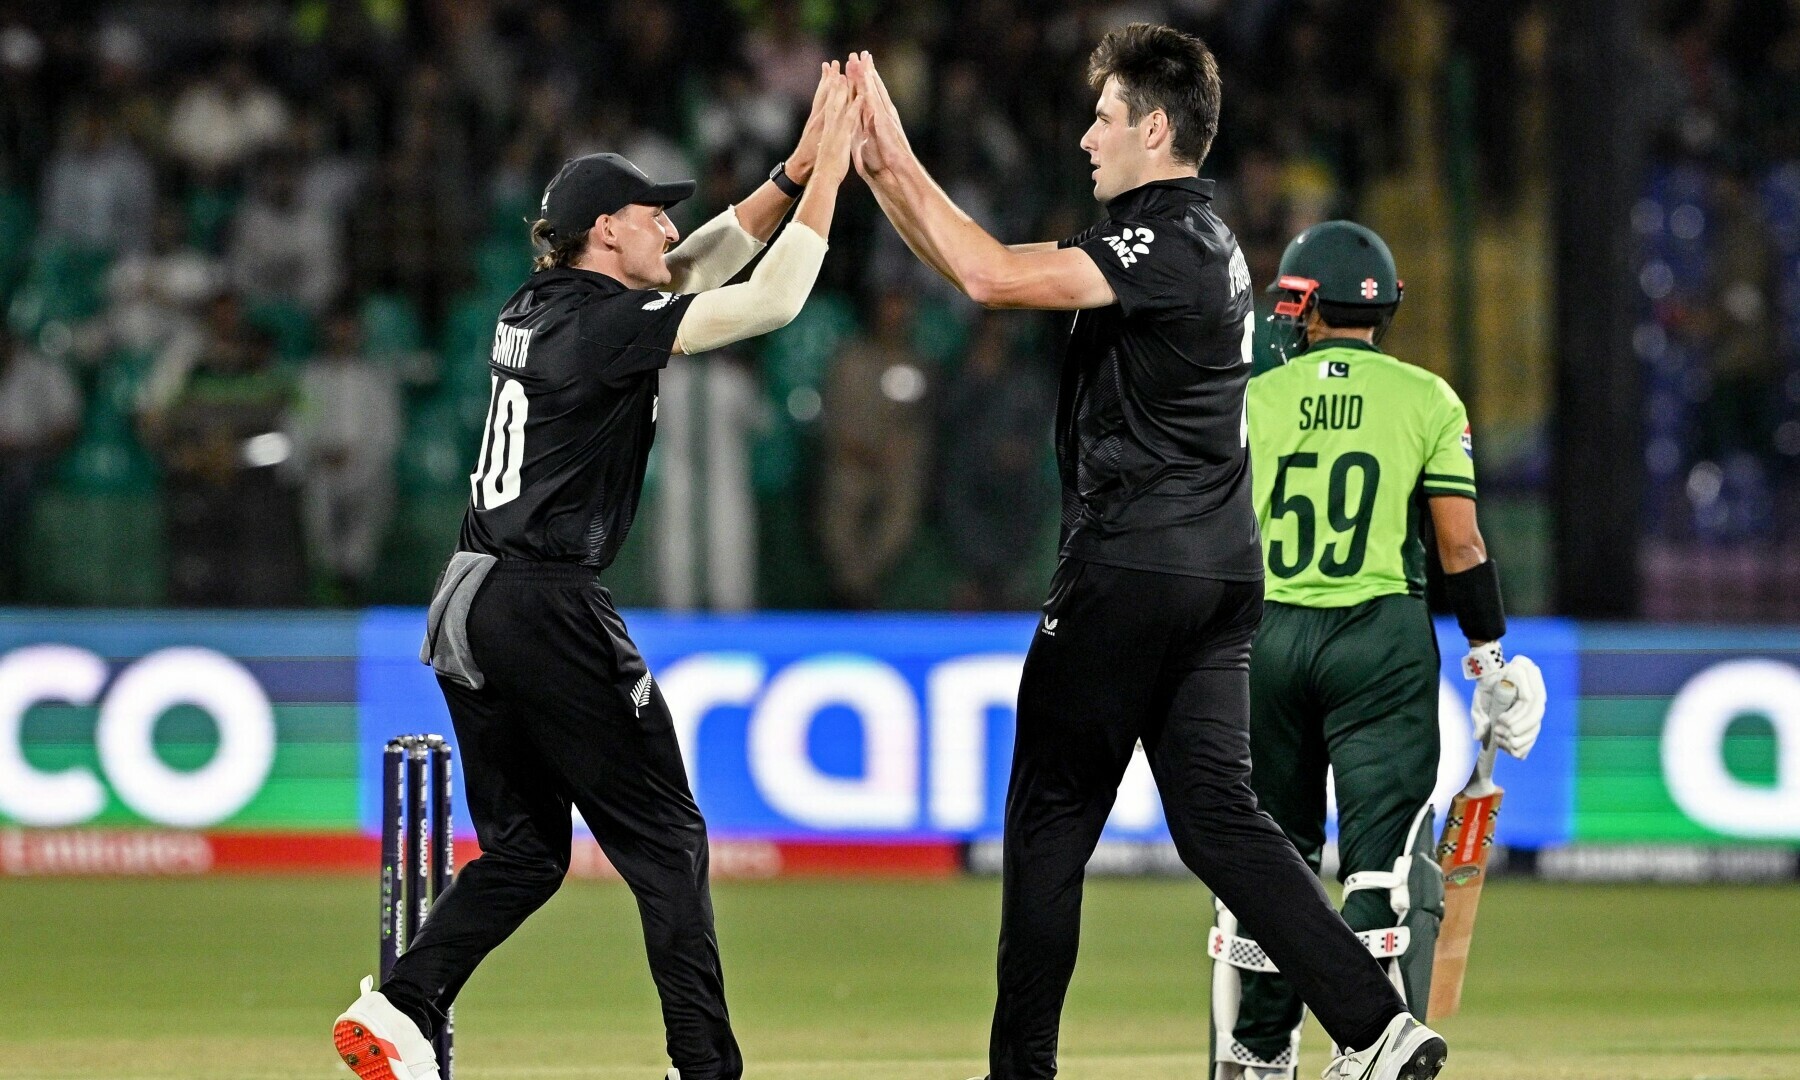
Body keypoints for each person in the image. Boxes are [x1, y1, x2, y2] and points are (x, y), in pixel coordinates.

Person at [848, 25, 1448, 1080]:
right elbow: (974, 266)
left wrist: (897, 157)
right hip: (1217, 575)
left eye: (1104, 117)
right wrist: (879, 174)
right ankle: (1376, 1025)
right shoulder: (1192, 240)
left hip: (1132, 566)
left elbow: (988, 277)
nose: (1086, 139)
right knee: (1220, 822)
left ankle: (1019, 1072)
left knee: (1047, 824)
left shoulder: (1169, 238)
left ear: (1156, 128)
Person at [330, 64, 861, 1080]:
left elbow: (700, 265)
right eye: (650, 216)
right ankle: (705, 1067)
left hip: (467, 600)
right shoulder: (607, 326)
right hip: (544, 601)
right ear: (604, 230)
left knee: (528, 853)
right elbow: (770, 301)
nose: (668, 228)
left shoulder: (542, 305)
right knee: (667, 838)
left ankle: (402, 1006)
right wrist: (838, 165)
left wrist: (791, 172)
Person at [1215, 221, 1547, 1080]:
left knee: (1270, 858)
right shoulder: (1430, 399)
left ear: (1305, 304)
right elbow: (1461, 548)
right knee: (1384, 863)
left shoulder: (1253, 399)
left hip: (1268, 636)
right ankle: (1370, 1049)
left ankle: (1256, 1056)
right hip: (1381, 640)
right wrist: (1489, 657)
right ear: (1384, 307)